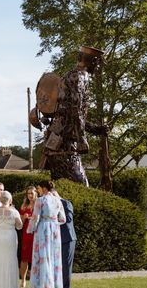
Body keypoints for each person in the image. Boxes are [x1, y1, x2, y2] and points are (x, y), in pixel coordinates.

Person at [38, 45, 108, 186]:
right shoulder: (79, 77)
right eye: (99, 64)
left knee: (61, 189)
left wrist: (96, 129)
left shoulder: (71, 75)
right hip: (65, 145)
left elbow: (71, 114)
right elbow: (75, 111)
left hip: (57, 144)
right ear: (94, 62)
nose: (99, 68)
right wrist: (82, 139)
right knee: (82, 186)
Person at [29, 180, 66, 288]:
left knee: (43, 256)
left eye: (39, 188)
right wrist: (54, 222)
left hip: (43, 229)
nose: (38, 191)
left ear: (44, 188)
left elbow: (35, 217)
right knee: (55, 258)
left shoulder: (41, 200)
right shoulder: (57, 200)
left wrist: (31, 229)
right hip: (55, 229)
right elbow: (63, 219)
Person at [53, 190, 76, 288]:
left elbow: (69, 218)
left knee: (66, 263)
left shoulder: (66, 203)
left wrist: (56, 216)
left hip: (68, 237)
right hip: (56, 238)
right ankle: (58, 286)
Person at [19, 186, 37, 288]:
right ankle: (23, 280)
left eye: (32, 193)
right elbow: (20, 223)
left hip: (37, 233)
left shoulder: (39, 205)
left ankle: (34, 281)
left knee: (36, 257)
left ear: (36, 193)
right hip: (26, 234)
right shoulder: (24, 206)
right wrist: (24, 218)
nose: (30, 195)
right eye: (28, 193)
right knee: (24, 257)